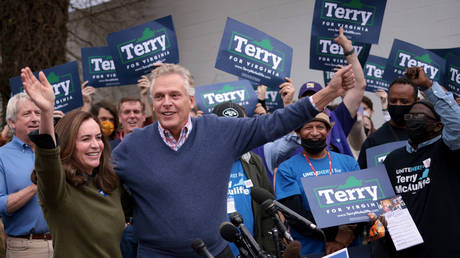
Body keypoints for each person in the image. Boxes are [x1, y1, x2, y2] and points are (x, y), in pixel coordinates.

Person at [112, 63, 356, 257]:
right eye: (159, 96)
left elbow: (273, 124)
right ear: (152, 102)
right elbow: (100, 184)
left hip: (215, 252)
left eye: (175, 95)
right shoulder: (131, 147)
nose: (166, 103)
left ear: (191, 100)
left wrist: (329, 92)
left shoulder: (219, 131)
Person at [20, 67, 125, 258]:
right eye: (85, 139)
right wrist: (46, 112)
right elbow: (48, 160)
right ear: (68, 145)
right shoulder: (58, 191)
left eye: (98, 137)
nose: (95, 145)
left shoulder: (110, 183)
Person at [377, 67, 460, 257]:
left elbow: (457, 125)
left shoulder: (448, 149)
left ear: (438, 126)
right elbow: (388, 207)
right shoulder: (393, 159)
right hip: (407, 252)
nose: (413, 120)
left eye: (420, 117)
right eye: (411, 117)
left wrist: (427, 86)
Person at [275, 112, 360, 256]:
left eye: (320, 127)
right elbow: (295, 216)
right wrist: (336, 235)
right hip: (311, 249)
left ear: (328, 131)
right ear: (298, 132)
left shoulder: (348, 163)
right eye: (308, 127)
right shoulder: (286, 168)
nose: (315, 133)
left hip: (350, 245)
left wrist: (344, 237)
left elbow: (363, 205)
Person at [212, 102, 275, 256]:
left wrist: (268, 249)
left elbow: (268, 212)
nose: (232, 132)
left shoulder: (253, 161)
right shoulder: (201, 163)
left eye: (237, 126)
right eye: (225, 127)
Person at [297, 27, 367, 157]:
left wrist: (348, 49)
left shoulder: (337, 118)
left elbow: (359, 86)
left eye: (315, 96)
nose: (312, 102)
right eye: (305, 99)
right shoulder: (294, 124)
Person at [0, 92, 52, 258]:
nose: (35, 118)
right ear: (12, 122)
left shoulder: (54, 151)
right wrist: (35, 187)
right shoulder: (2, 156)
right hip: (25, 248)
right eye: (27, 114)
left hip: (62, 243)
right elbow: (1, 204)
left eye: (38, 113)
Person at [357, 77, 419, 169]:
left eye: (404, 101)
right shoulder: (373, 141)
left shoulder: (426, 134)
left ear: (416, 101)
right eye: (393, 101)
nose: (398, 105)